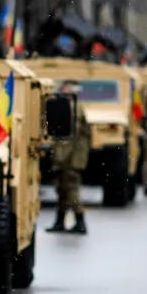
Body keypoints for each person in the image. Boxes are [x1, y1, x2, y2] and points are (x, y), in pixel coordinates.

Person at [47, 80, 92, 235]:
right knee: (63, 191)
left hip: (71, 158)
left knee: (71, 190)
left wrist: (60, 158)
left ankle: (80, 221)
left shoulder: (73, 109)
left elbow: (70, 137)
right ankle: (60, 221)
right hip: (69, 157)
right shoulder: (70, 106)